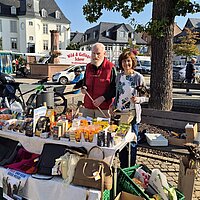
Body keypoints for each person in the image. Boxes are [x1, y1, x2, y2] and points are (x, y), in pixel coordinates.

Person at [110, 50, 147, 167]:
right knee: (120, 142)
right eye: (124, 61)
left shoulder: (138, 77)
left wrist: (138, 100)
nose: (126, 63)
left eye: (128, 61)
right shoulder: (119, 77)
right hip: (120, 115)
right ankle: (122, 167)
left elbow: (146, 97)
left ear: (132, 62)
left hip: (132, 116)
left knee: (132, 143)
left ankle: (130, 168)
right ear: (121, 63)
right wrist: (113, 105)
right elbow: (117, 95)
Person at [79, 42, 117, 118]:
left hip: (104, 108)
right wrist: (83, 88)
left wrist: (103, 98)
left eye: (98, 54)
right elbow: (84, 82)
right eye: (93, 53)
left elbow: (115, 88)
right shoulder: (88, 66)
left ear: (104, 53)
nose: (95, 56)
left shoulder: (110, 67)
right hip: (88, 106)